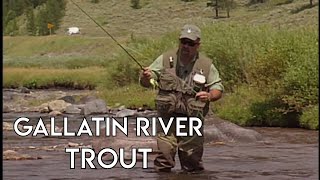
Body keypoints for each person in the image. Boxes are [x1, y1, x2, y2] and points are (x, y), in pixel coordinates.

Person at [139, 24, 224, 173]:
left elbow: (217, 88)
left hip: (192, 119)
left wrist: (209, 95)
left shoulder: (206, 64)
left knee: (192, 163)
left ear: (198, 45)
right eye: (183, 42)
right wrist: (146, 77)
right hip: (167, 118)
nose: (185, 46)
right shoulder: (166, 58)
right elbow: (148, 80)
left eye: (190, 43)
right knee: (164, 158)